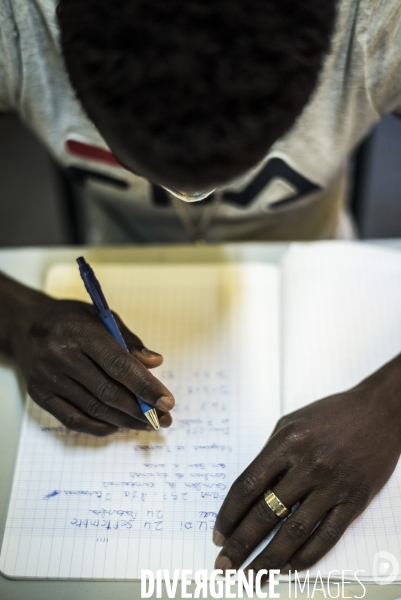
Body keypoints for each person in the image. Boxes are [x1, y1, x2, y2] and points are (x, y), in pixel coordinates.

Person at [0, 0, 400, 579]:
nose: (196, 196)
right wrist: (14, 315)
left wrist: (391, 401)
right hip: (121, 260)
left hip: (327, 271)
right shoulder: (16, 21)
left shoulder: (378, 18)